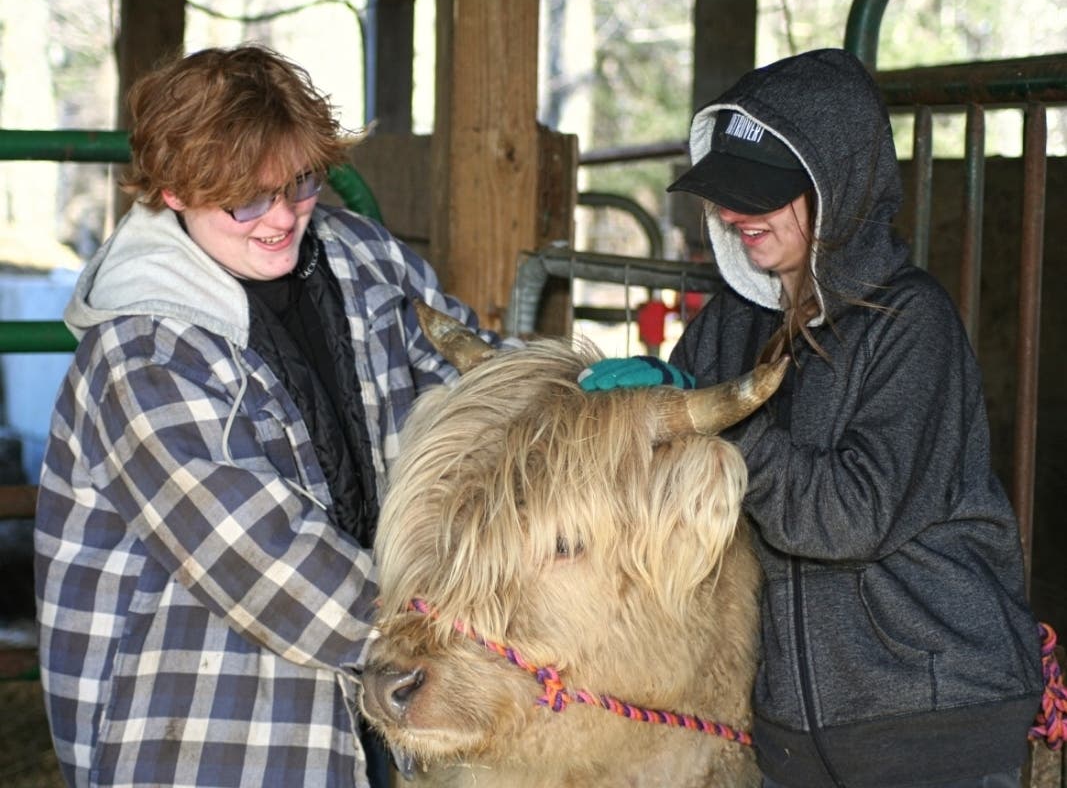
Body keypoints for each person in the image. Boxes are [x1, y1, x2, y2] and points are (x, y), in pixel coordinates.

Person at [34, 44, 498, 788]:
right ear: (174, 193)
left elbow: (479, 384)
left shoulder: (364, 261)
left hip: (384, 683)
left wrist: (575, 396)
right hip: (210, 724)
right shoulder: (143, 354)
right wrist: (475, 630)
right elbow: (262, 560)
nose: (281, 218)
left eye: (301, 183)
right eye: (245, 200)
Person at [580, 48, 1045, 786]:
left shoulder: (908, 323)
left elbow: (846, 517)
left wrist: (712, 423)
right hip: (793, 737)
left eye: (760, 194)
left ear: (838, 190)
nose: (733, 214)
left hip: (934, 721)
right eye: (724, 193)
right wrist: (622, 422)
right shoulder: (728, 324)